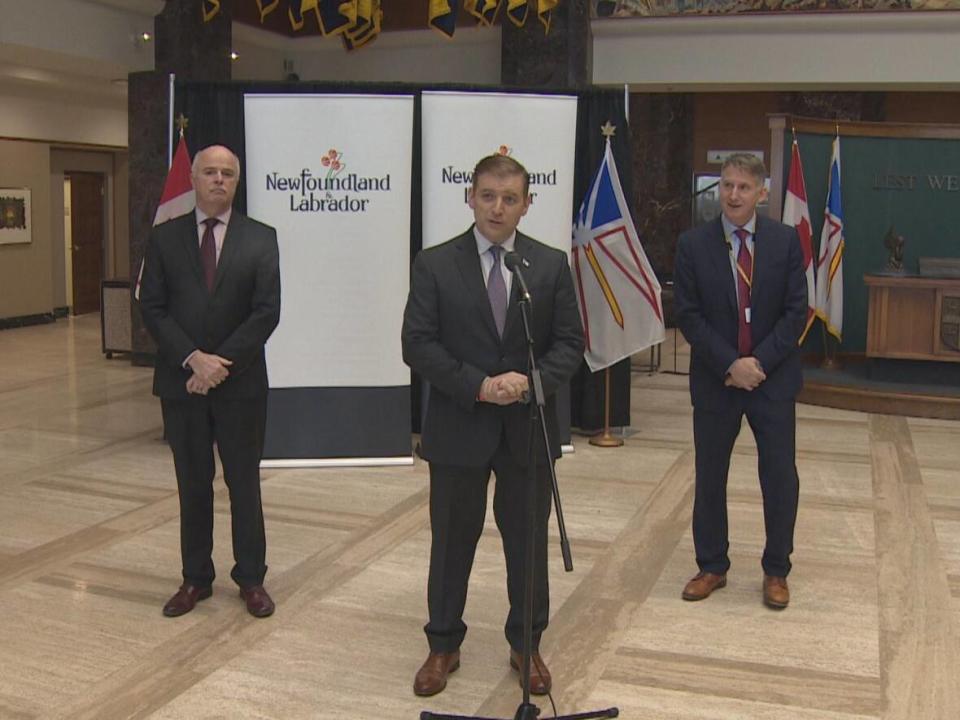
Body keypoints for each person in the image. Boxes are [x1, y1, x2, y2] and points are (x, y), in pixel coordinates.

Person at [401, 154, 584, 696]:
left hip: (529, 427)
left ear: (527, 204)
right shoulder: (435, 263)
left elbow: (570, 344)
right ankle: (442, 645)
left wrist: (530, 381)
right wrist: (479, 385)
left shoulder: (548, 266)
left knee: (527, 542)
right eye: (487, 196)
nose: (497, 207)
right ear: (469, 198)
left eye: (509, 198)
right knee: (452, 541)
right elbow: (417, 343)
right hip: (460, 424)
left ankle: (526, 644)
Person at [140, 144, 281, 619]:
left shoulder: (262, 238)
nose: (218, 180)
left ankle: (252, 579)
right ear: (195, 179)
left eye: (227, 173)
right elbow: (153, 308)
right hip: (182, 384)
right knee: (192, 482)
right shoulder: (164, 237)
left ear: (237, 182)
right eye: (209, 172)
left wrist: (219, 364)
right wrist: (192, 360)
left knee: (244, 483)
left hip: (240, 385)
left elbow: (267, 312)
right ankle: (195, 578)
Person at [673, 153, 806, 610]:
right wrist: (731, 364)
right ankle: (712, 565)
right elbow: (688, 316)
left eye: (743, 188)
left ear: (762, 193)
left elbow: (795, 314)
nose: (733, 195)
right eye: (726, 186)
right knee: (710, 476)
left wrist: (757, 364)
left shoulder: (786, 242)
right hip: (717, 381)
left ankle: (776, 570)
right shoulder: (693, 244)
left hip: (772, 380)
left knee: (780, 478)